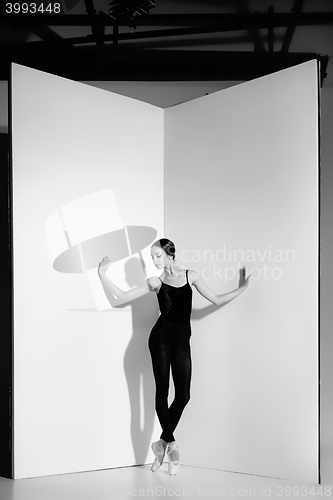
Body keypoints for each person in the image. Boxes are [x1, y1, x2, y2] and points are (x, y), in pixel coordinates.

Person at [98, 238, 251, 475]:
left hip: (181, 340)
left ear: (171, 254)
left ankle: (161, 444)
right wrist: (102, 275)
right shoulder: (155, 281)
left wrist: (243, 288)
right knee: (162, 392)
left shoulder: (192, 276)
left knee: (184, 395)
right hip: (160, 338)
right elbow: (122, 296)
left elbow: (217, 299)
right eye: (152, 257)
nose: (154, 260)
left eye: (157, 255)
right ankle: (173, 446)